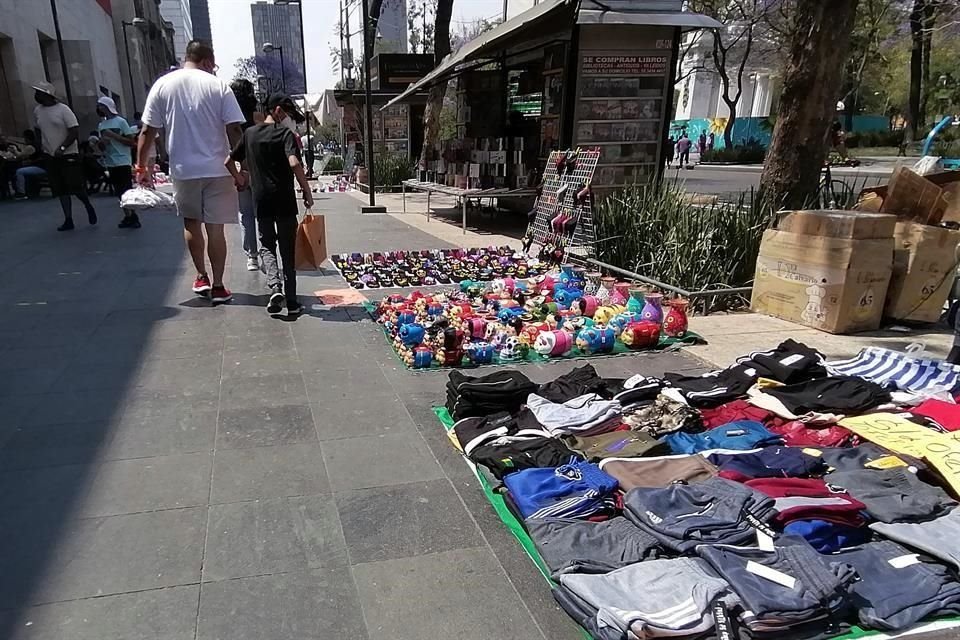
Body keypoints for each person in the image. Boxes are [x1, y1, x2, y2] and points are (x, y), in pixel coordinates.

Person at [137, 40, 245, 303]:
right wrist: (244, 168)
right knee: (216, 229)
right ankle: (219, 286)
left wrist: (141, 166)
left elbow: (147, 130)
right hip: (218, 168)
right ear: (207, 61)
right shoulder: (218, 86)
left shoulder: (163, 85)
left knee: (191, 223)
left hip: (183, 169)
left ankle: (201, 276)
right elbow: (234, 130)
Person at [226, 93, 313, 316]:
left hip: (261, 199)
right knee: (288, 250)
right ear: (276, 110)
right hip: (284, 200)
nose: (285, 116)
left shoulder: (249, 134)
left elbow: (229, 160)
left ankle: (275, 287)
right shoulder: (285, 134)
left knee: (266, 245)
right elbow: (293, 162)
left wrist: (239, 178)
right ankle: (292, 303)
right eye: (284, 112)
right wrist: (306, 189)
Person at [32, 81, 98, 231]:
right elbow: (38, 128)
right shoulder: (38, 111)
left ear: (47, 95)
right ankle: (68, 219)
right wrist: (41, 145)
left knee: (74, 186)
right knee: (60, 189)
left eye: (39, 93)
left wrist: (63, 147)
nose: (36, 95)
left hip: (68, 154)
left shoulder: (63, 110)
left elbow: (74, 130)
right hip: (50, 155)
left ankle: (87, 205)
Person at [96, 96, 140, 228]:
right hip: (110, 161)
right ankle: (128, 215)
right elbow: (101, 146)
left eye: (101, 105)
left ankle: (133, 216)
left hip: (123, 160)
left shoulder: (121, 122)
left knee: (126, 190)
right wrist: (101, 143)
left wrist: (113, 136)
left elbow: (131, 142)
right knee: (118, 191)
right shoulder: (101, 125)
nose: (98, 108)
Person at [229, 78, 259, 271]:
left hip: (239, 168)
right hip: (259, 168)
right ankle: (267, 252)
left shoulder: (229, 118)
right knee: (262, 213)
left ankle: (252, 256)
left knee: (246, 213)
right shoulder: (257, 117)